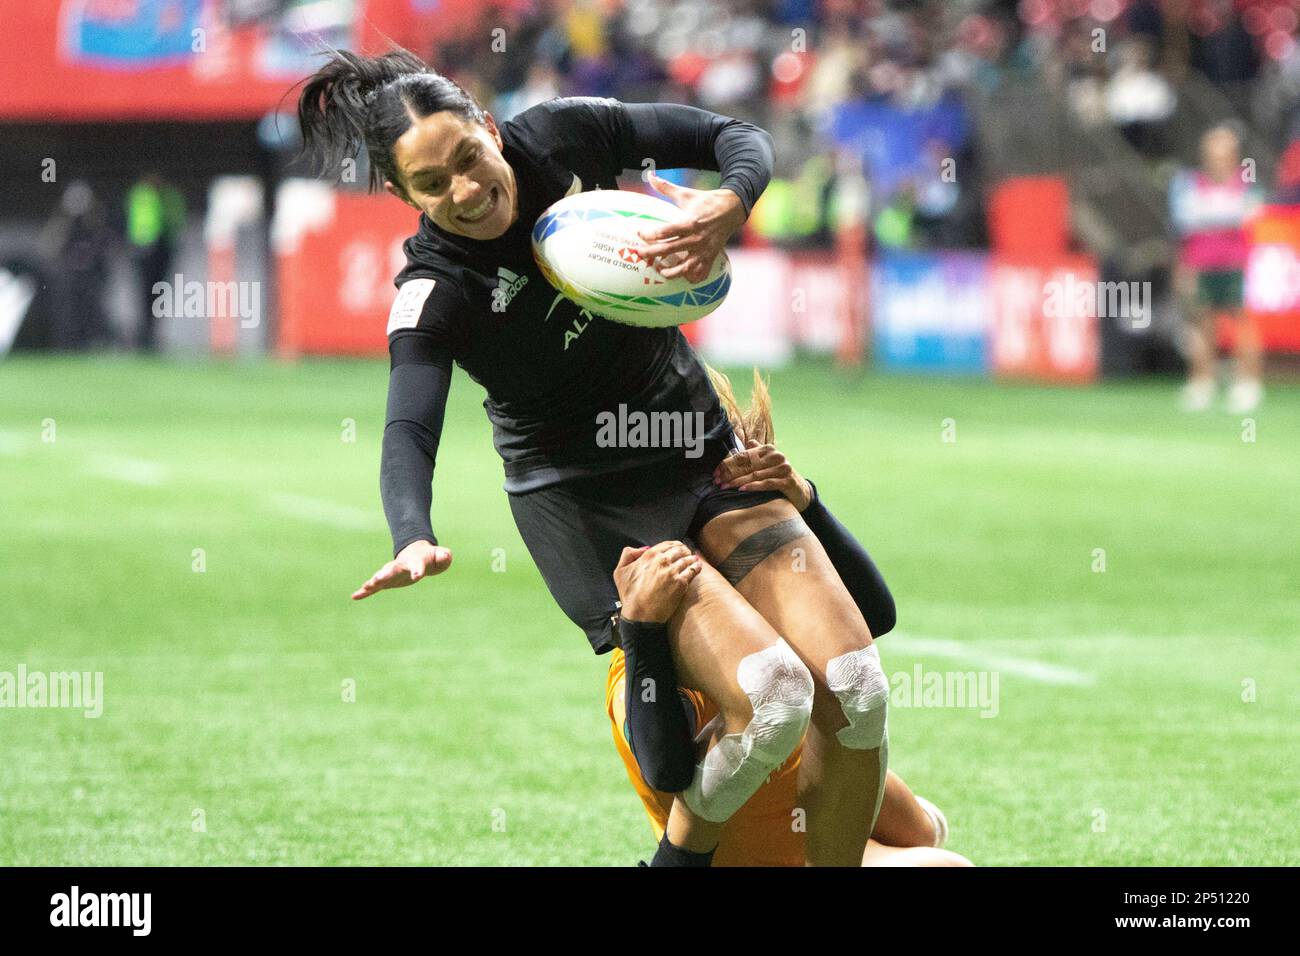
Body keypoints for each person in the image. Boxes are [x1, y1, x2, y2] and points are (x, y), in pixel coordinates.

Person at [297, 48, 889, 866]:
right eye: (433, 185)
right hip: (585, 501)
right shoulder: (434, 291)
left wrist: (730, 202)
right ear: (404, 197)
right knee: (775, 697)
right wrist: (411, 532)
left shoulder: (562, 139)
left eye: (469, 158)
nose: (466, 190)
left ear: (489, 127)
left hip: (691, 439)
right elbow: (409, 429)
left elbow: (733, 135)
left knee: (857, 689)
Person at [608, 370, 967, 866]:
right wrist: (641, 631)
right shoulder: (650, 664)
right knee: (931, 850)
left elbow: (876, 614)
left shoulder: (778, 624)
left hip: (813, 833)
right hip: (749, 849)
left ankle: (917, 823)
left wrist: (806, 500)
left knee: (931, 846)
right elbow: (666, 767)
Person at [1168, 124, 1265, 413]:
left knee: (1241, 322)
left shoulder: (1246, 185)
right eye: (1212, 153)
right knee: (1202, 323)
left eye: (1223, 153)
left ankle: (1247, 383)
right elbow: (1184, 232)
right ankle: (1202, 382)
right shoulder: (1190, 185)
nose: (1217, 159)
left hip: (1235, 264)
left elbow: (1252, 225)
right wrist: (1183, 268)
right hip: (1201, 264)